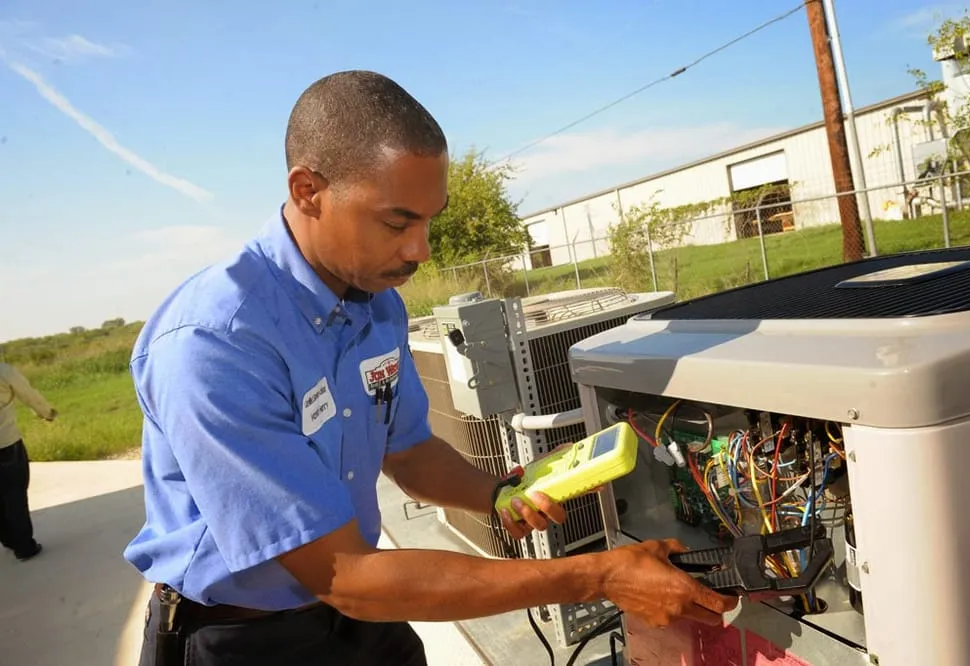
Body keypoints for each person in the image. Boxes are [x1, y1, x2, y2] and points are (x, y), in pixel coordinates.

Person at [125, 70, 736, 666]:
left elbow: (411, 452)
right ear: (308, 190)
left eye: (429, 221)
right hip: (243, 637)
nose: (420, 250)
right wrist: (595, 576)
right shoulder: (216, 343)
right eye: (397, 222)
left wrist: (499, 493)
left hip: (358, 618)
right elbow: (348, 578)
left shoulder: (376, 303)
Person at [0, 361, 56, 561]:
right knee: (14, 494)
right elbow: (28, 394)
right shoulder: (4, 371)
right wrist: (47, 412)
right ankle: (24, 546)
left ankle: (8, 539)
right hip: (6, 444)